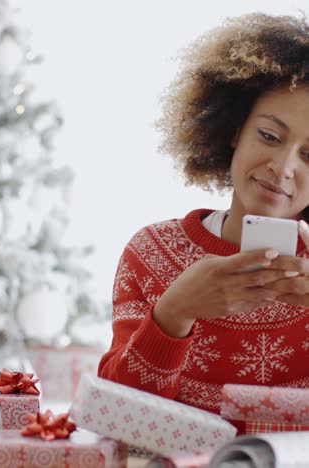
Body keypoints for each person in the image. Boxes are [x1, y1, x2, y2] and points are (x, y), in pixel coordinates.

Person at [97, 12, 309, 431]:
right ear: (234, 131)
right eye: (269, 135)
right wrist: (174, 313)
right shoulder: (149, 254)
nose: (283, 167)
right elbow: (118, 423)